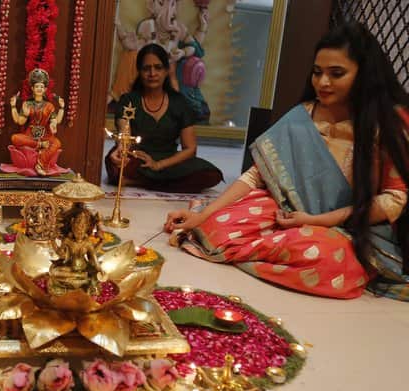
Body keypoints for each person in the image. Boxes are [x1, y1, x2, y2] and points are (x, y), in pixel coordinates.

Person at [165, 22, 409, 301]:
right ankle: (272, 247)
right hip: (289, 211)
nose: (323, 82)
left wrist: (317, 220)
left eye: (336, 73)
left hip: (350, 226)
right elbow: (255, 176)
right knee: (214, 226)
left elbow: (394, 199)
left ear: (365, 75)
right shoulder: (304, 115)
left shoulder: (389, 122)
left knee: (331, 261)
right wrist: (203, 214)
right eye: (317, 73)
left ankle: (268, 247)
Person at [105, 44, 222, 193]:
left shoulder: (179, 103)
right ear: (139, 72)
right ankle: (158, 182)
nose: (152, 73)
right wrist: (121, 148)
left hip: (168, 160)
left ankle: (139, 182)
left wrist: (158, 165)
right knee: (114, 163)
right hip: (138, 158)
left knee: (211, 174)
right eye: (146, 68)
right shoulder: (128, 100)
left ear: (166, 71)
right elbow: (124, 131)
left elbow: (190, 149)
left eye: (158, 67)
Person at [8, 68, 66, 176]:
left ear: (45, 89)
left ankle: (40, 164)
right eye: (37, 86)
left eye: (42, 87)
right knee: (15, 138)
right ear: (32, 88)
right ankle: (40, 145)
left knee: (57, 143)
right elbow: (20, 121)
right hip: (30, 136)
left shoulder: (49, 105)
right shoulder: (27, 104)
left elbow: (55, 121)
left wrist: (61, 109)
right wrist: (14, 107)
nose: (39, 89)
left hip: (46, 135)